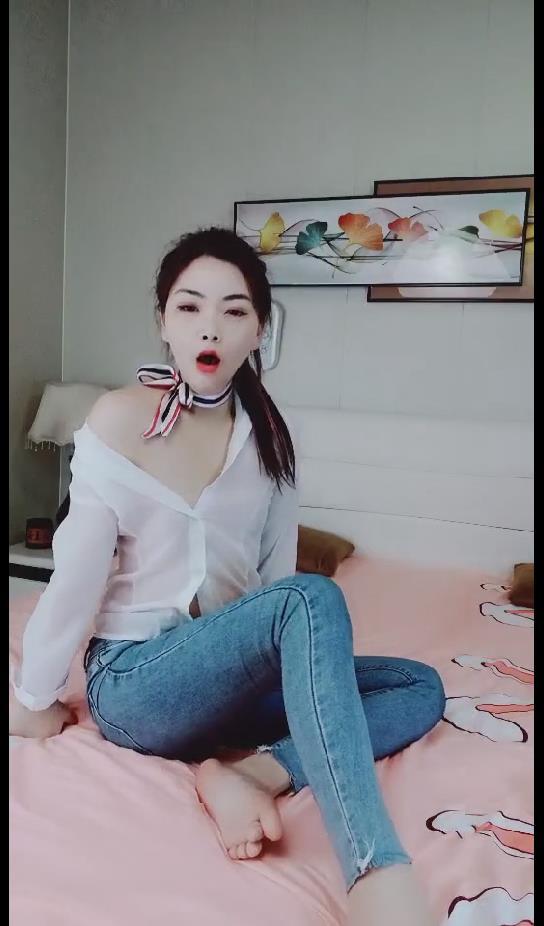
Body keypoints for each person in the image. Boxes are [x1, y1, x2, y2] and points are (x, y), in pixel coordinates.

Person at [10, 227, 444, 925]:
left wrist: (287, 669)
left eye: (234, 311)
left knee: (418, 685)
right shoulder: (117, 420)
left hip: (232, 690)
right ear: (163, 322)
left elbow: (274, 586)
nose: (209, 327)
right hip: (138, 686)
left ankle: (252, 772)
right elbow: (76, 576)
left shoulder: (268, 437)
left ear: (259, 330)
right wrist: (34, 696)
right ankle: (374, 871)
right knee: (310, 596)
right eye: (189, 307)